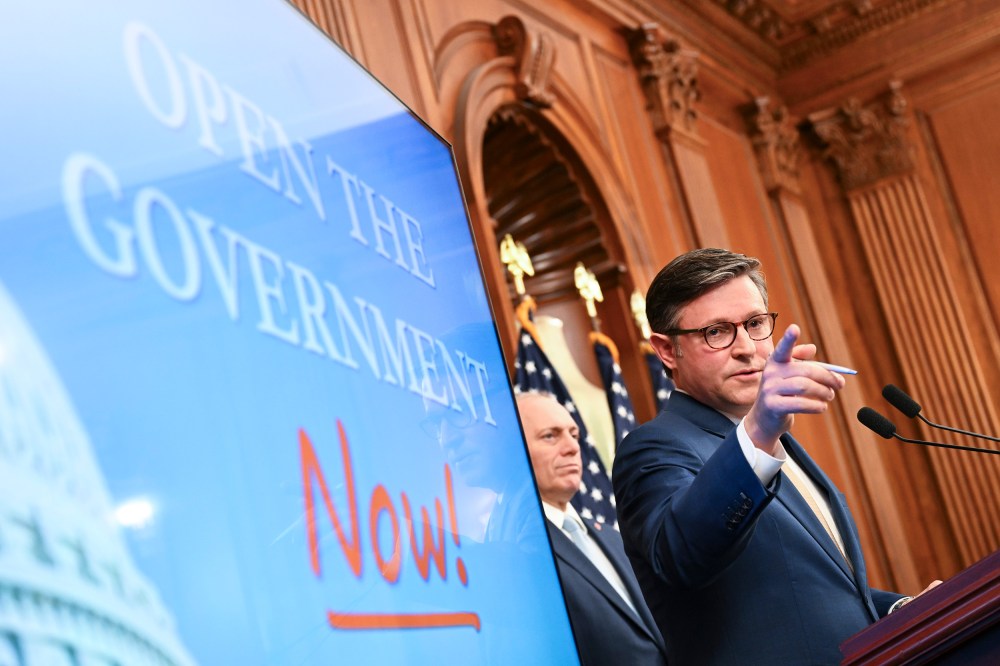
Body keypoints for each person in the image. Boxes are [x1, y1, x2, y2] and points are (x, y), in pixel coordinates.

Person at [612, 248, 937, 665]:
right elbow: (682, 554)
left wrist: (900, 611)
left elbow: (810, 593)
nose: (747, 348)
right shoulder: (653, 448)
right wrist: (759, 430)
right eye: (716, 332)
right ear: (667, 350)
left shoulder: (773, 439)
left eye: (754, 324)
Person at [516, 391, 668, 666]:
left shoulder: (613, 538)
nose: (572, 447)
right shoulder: (520, 550)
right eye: (550, 436)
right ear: (512, 449)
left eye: (574, 434)